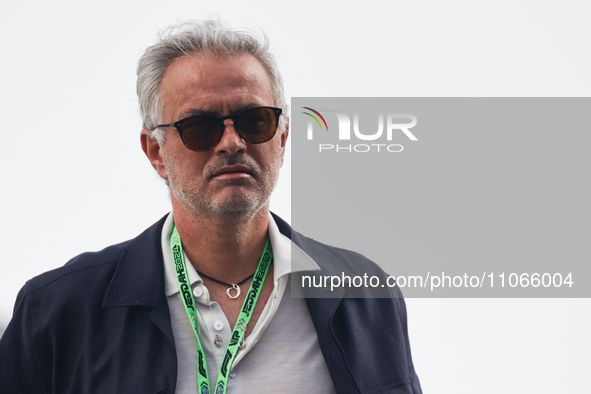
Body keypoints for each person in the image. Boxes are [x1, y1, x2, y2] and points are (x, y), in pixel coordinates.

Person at [0, 20, 422, 394]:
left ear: (283, 138)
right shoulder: (59, 311)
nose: (232, 142)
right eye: (199, 126)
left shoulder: (365, 293)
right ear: (156, 152)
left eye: (255, 119)